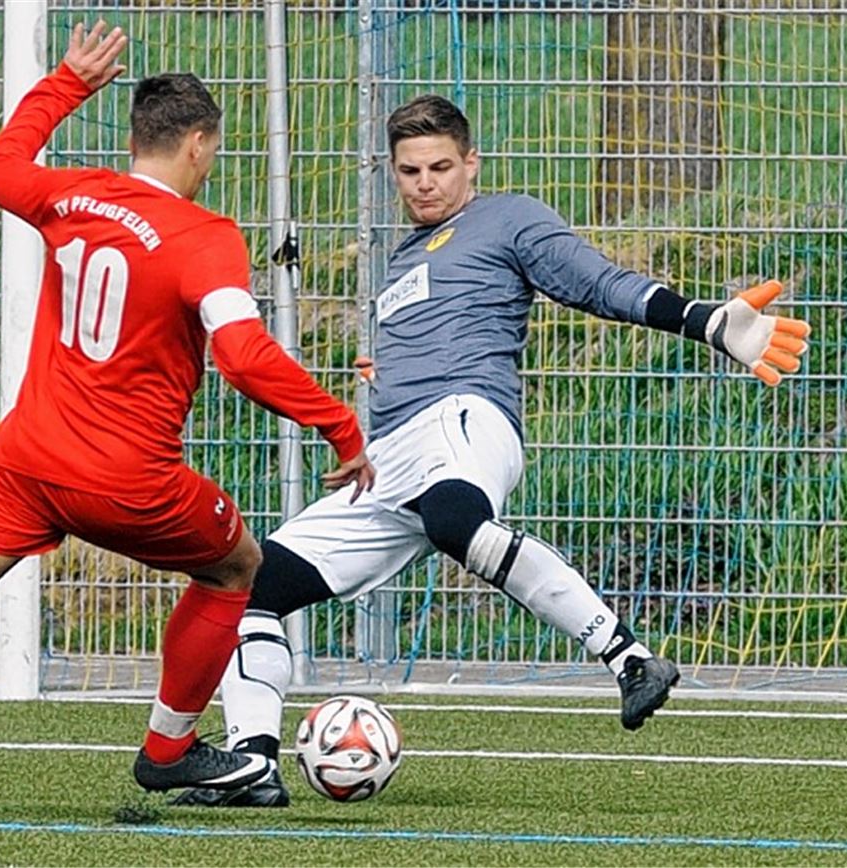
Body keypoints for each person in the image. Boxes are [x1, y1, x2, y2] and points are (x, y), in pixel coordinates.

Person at [0, 22, 374, 795]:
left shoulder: (73, 194)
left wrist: (66, 82)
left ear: (135, 140)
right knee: (235, 569)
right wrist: (340, 424)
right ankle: (166, 752)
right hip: (127, 478)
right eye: (212, 152)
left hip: (25, 460)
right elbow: (245, 355)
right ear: (196, 144)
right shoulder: (204, 236)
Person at [172, 94, 812, 807]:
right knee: (251, 587)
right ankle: (253, 763)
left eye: (440, 166)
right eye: (409, 169)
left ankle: (628, 658)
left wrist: (707, 321)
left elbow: (599, 284)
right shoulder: (400, 258)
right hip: (389, 457)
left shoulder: (507, 218)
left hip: (466, 418)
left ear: (470, 164)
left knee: (455, 519)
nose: (425, 182)